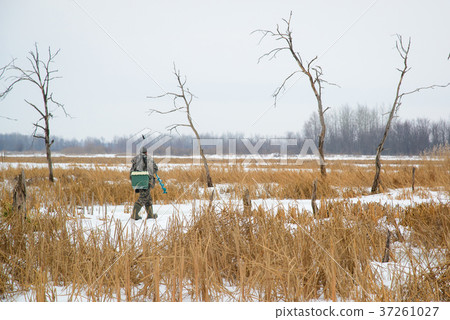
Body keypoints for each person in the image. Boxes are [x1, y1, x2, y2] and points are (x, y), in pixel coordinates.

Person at [130, 146, 158, 220]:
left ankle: (150, 215)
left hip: (138, 181)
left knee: (148, 198)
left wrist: (134, 182)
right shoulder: (149, 158)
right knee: (143, 197)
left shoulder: (135, 159)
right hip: (147, 181)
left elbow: (131, 172)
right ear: (146, 152)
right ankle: (134, 215)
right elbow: (155, 168)